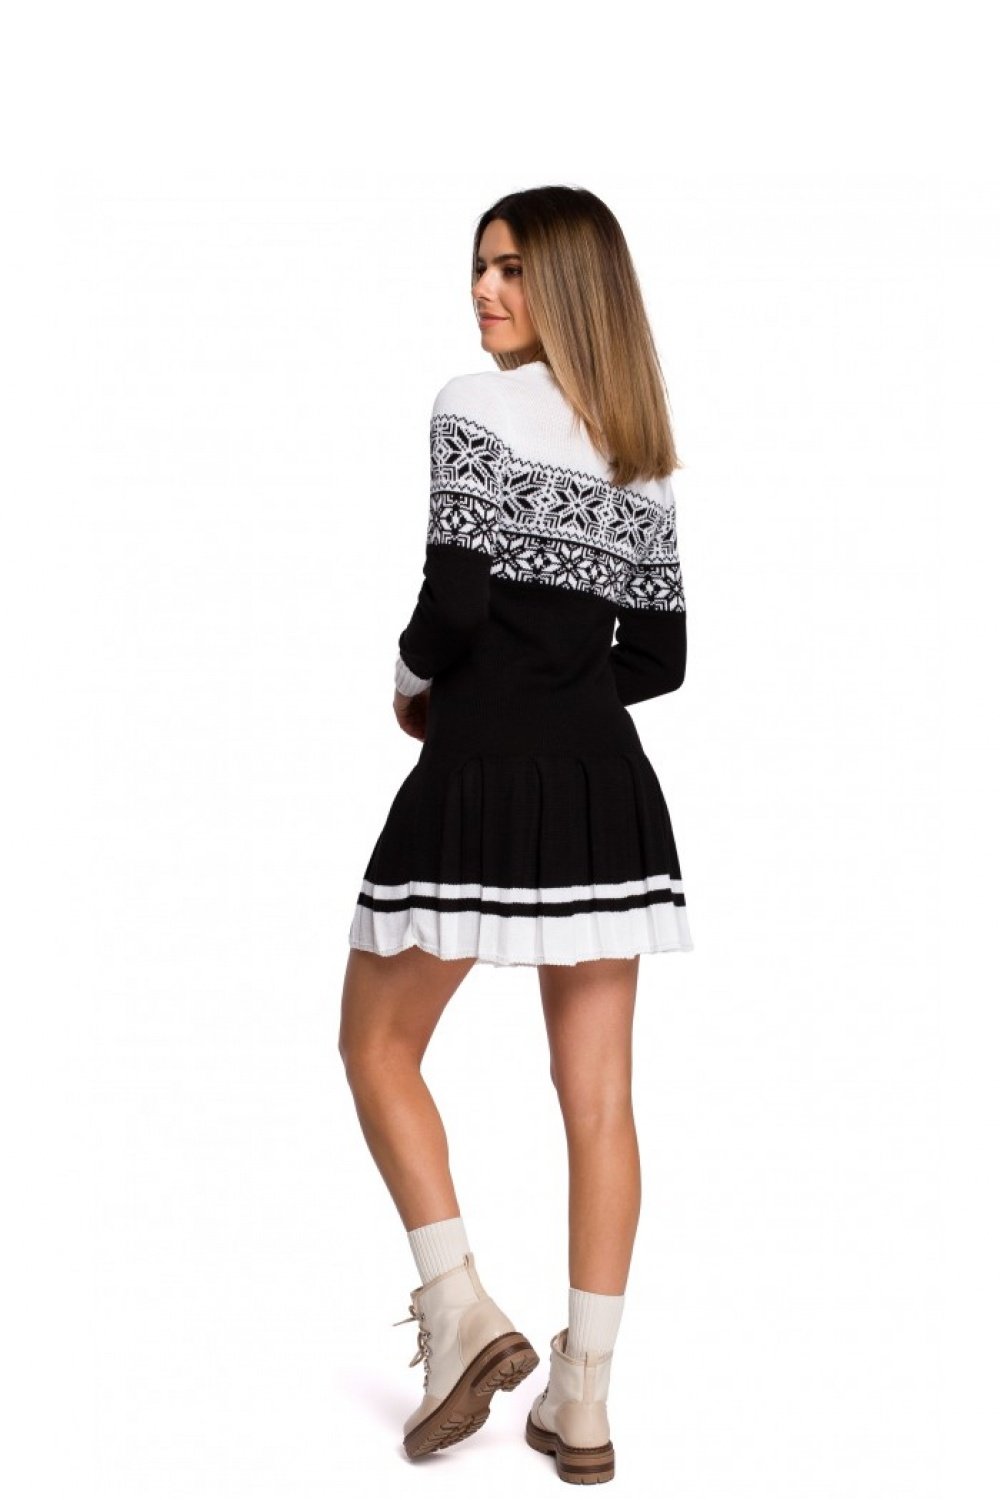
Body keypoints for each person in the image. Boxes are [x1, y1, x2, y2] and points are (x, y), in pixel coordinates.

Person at [338, 185, 693, 1484]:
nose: (484, 290)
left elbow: (453, 603)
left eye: (513, 269)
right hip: (606, 796)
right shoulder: (638, 449)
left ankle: (459, 1310)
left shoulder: (470, 408)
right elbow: (660, 658)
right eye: (481, 266)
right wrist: (567, 692)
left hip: (479, 778)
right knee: (599, 1099)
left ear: (571, 287)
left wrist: (411, 684)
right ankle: (581, 1402)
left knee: (375, 1043)